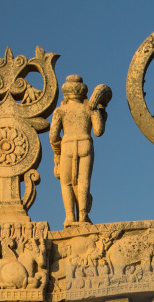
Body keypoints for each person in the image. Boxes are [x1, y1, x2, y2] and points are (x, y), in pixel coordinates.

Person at [49, 75, 110, 225]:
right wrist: (101, 111)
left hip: (67, 145)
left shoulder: (60, 110)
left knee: (66, 183)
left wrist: (57, 153)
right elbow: (98, 131)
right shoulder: (89, 108)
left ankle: (70, 217)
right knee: (83, 181)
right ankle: (83, 216)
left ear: (66, 94)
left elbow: (53, 136)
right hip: (85, 143)